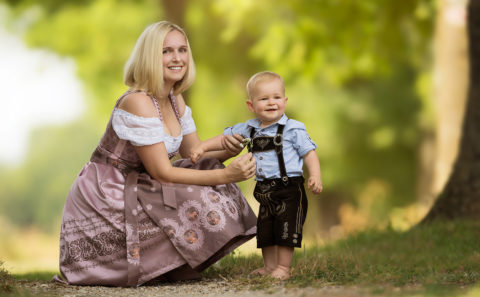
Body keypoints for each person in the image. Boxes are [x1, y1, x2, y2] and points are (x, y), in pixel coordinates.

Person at [55, 21, 258, 287]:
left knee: (212, 174)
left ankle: (173, 264)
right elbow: (163, 172)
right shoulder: (138, 101)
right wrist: (227, 173)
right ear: (151, 56)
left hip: (143, 183)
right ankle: (159, 264)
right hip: (109, 192)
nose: (177, 58)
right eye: (166, 51)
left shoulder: (175, 98)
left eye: (182, 50)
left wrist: (229, 150)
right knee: (209, 183)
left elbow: (193, 155)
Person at [190, 71, 323, 280]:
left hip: (289, 188)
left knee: (285, 228)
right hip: (263, 189)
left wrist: (315, 175)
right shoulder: (249, 129)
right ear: (251, 105)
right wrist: (202, 147)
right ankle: (269, 267)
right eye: (264, 99)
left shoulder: (293, 129)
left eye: (276, 97)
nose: (271, 103)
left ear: (285, 101)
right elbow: (223, 138)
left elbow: (309, 152)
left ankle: (283, 268)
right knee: (266, 229)